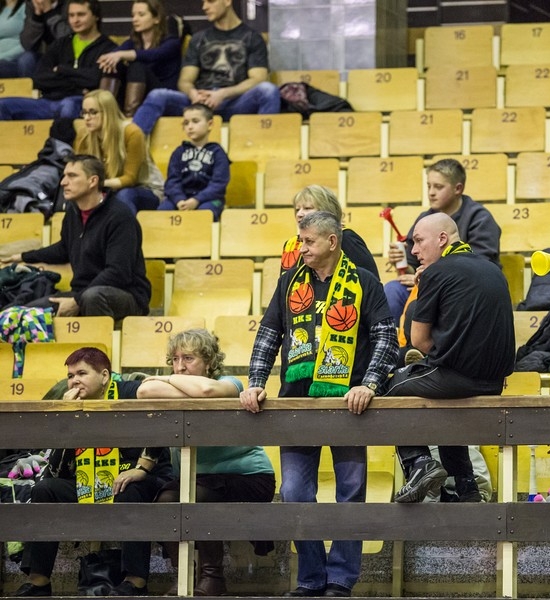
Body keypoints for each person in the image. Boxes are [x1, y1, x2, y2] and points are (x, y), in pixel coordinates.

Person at [239, 211, 398, 598]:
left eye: (308, 241)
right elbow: (269, 334)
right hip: (296, 403)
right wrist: (256, 383)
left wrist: (370, 384)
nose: (302, 248)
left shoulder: (364, 282)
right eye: (300, 241)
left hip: (349, 405)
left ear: (331, 241)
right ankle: (310, 578)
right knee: (295, 492)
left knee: (351, 492)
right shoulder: (288, 282)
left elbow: (386, 337)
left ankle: (341, 579)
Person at [102, 329, 275, 596]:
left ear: (209, 361)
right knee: (167, 500)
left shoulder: (231, 383)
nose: (180, 366)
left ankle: (212, 578)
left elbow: (206, 389)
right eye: (175, 359)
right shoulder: (177, 386)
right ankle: (184, 574)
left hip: (247, 476)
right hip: (197, 480)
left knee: (195, 495)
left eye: (189, 358)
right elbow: (145, 390)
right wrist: (142, 468)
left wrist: (168, 379)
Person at [12, 347, 173, 598]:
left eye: (82, 373)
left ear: (105, 375)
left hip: (146, 478)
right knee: (45, 490)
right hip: (94, 482)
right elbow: (57, 470)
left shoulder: (129, 392)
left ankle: (136, 581)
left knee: (129, 490)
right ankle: (39, 582)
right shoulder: (73, 405)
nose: (74, 381)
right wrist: (65, 417)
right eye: (70, 376)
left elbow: (163, 420)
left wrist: (142, 468)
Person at [383, 213, 515, 504]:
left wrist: (423, 288)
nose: (414, 250)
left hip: (458, 378)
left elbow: (419, 340)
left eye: (419, 241)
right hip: (494, 383)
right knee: (444, 408)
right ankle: (466, 489)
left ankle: (419, 463)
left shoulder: (437, 272)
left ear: (442, 239)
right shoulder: (492, 269)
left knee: (390, 388)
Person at [0, 154, 151, 320]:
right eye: (64, 176)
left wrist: (76, 301)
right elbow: (63, 249)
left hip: (126, 295)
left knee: (91, 297)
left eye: (72, 176)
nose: (63, 182)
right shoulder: (72, 212)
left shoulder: (120, 216)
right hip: (81, 293)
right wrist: (23, 257)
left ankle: (98, 337)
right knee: (21, 315)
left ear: (93, 181)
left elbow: (118, 273)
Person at [131, 0, 280, 137]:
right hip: (199, 103)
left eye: (210, 1)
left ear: (227, 1)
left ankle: (265, 146)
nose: (204, 7)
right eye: (203, 2)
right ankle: (131, 147)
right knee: (158, 95)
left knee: (268, 90)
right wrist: (193, 94)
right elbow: (185, 81)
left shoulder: (253, 37)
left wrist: (223, 94)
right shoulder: (199, 38)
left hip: (234, 102)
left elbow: (258, 78)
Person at [384, 158, 501, 324]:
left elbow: (479, 268)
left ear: (458, 188)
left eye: (438, 187)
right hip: (428, 286)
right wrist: (402, 263)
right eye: (429, 186)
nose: (431, 192)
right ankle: (393, 340)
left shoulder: (480, 219)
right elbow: (413, 266)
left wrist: (429, 278)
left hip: (464, 290)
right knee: (393, 290)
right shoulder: (425, 218)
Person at [0, 0, 114, 120]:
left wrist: (61, 70)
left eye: (81, 15)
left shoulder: (107, 48)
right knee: (2, 105)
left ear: (96, 16)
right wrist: (78, 85)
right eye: (71, 15)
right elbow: (39, 79)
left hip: (78, 101)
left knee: (68, 106)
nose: (75, 20)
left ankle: (60, 133)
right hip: (48, 101)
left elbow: (94, 79)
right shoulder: (60, 44)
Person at [75, 89, 162, 214]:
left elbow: (130, 179)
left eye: (93, 112)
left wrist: (96, 184)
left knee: (124, 196)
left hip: (145, 188)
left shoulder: (131, 133)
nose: (87, 118)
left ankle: (124, 228)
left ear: (108, 112)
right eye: (84, 112)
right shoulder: (84, 135)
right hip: (106, 188)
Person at [96, 0, 183, 116]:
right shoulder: (132, 42)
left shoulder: (171, 42)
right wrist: (108, 58)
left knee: (137, 66)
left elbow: (154, 54)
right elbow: (113, 55)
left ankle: (130, 116)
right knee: (114, 65)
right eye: (133, 15)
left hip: (162, 95)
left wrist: (122, 54)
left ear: (156, 19)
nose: (135, 19)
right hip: (136, 93)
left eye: (141, 15)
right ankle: (103, 113)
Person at [281, 184, 378, 277]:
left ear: (326, 211)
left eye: (307, 208)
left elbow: (371, 282)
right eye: (297, 210)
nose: (299, 214)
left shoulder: (345, 238)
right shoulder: (290, 244)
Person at [158, 103, 230, 220]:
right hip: (181, 198)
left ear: (210, 124)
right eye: (186, 123)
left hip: (209, 199)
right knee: (162, 213)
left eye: (195, 121)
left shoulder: (218, 152)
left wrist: (197, 200)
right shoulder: (179, 152)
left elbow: (219, 183)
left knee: (204, 214)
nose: (190, 127)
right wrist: (179, 200)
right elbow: (172, 181)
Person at [15, 0, 70, 77]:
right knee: (26, 59)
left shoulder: (69, 3)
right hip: (46, 57)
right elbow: (27, 45)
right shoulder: (32, 5)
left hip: (67, 57)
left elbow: (67, 38)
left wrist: (49, 11)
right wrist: (37, 16)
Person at [0, 0, 26, 77]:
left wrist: (2, 56)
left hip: (14, 60)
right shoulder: (2, 8)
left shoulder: (25, 8)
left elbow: (27, 44)